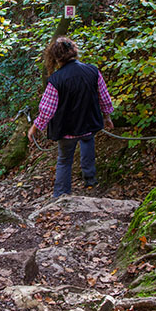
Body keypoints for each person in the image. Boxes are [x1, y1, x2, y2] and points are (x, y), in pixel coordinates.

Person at [27, 36, 114, 197]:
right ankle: (90, 181)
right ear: (74, 51)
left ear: (55, 57)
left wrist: (35, 127)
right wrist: (107, 117)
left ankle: (61, 194)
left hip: (66, 128)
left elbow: (47, 110)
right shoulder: (92, 71)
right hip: (88, 123)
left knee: (64, 160)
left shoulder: (55, 80)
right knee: (88, 144)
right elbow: (104, 97)